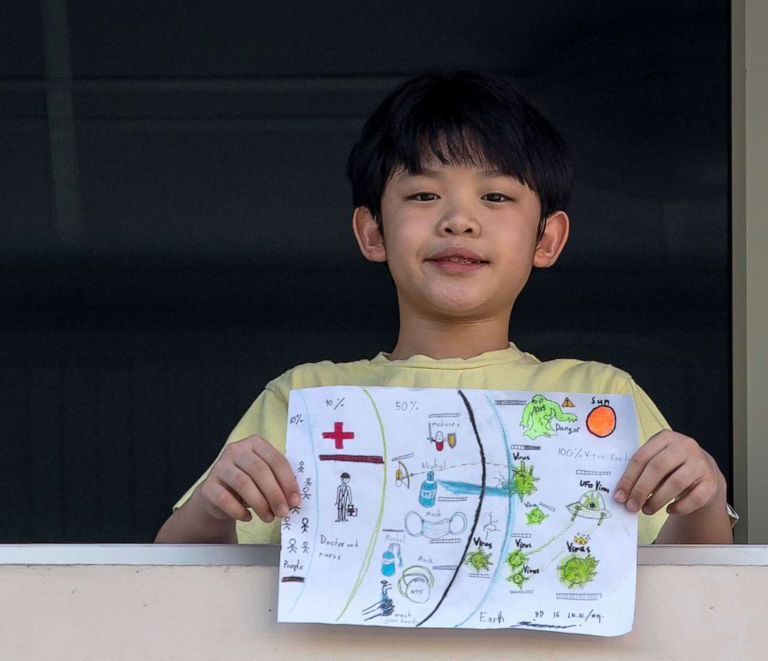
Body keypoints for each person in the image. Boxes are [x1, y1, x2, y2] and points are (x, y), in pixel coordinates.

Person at [156, 71, 733, 546]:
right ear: (372, 231)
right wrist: (213, 506)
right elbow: (167, 578)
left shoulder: (598, 397)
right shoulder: (306, 398)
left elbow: (699, 588)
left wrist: (703, 496)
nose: (459, 219)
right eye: (424, 194)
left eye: (497, 196)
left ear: (547, 239)